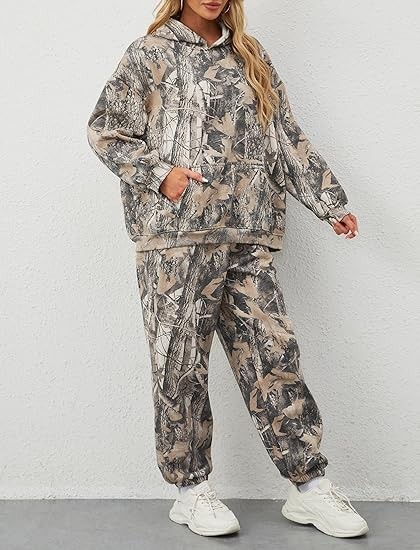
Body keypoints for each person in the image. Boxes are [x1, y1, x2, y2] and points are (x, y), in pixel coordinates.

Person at [86, 0, 368, 540]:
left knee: (273, 355)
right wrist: (161, 173)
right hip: (175, 239)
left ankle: (308, 486)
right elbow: (106, 130)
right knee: (181, 365)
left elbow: (284, 137)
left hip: (248, 234)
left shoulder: (250, 55)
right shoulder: (149, 53)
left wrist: (329, 201)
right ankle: (191, 490)